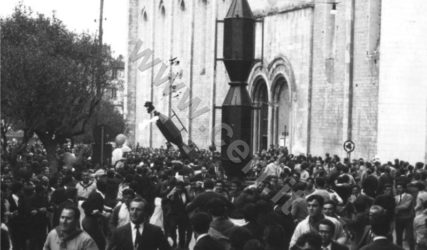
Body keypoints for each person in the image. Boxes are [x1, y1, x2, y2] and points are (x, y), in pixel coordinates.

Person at [394, 182, 415, 250]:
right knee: (398, 237)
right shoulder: (395, 197)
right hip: (398, 218)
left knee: (410, 236)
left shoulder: (409, 196)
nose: (398, 189)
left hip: (407, 218)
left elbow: (406, 206)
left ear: (403, 188)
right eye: (397, 188)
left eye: (400, 188)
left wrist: (396, 208)